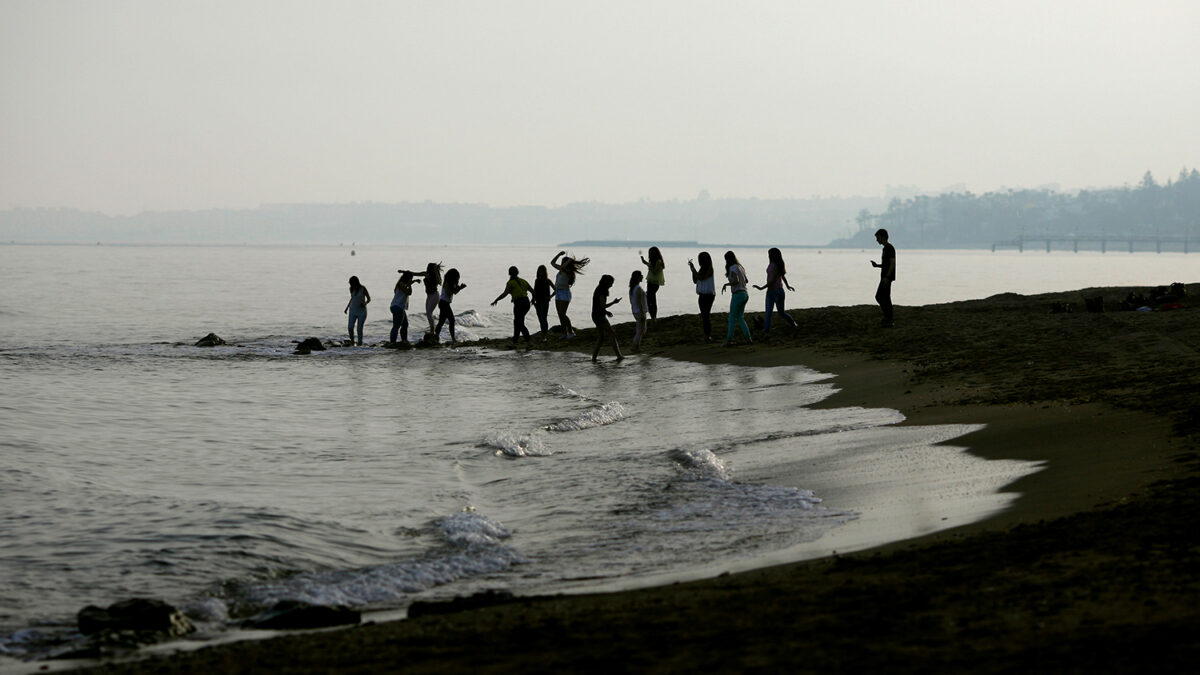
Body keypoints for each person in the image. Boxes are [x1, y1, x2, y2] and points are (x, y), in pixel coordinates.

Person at [753, 248, 798, 335]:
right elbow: (782, 277)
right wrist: (788, 285)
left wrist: (761, 288)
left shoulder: (776, 265)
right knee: (768, 312)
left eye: (769, 254)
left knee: (781, 312)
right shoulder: (771, 264)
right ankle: (767, 329)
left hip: (778, 291)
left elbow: (773, 280)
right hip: (770, 292)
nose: (768, 255)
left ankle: (793, 323)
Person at [491, 266, 534, 349]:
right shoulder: (523, 281)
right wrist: (533, 300)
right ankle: (515, 342)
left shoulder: (510, 283)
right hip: (526, 302)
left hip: (519, 303)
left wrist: (496, 300)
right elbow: (533, 291)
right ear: (517, 272)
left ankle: (528, 342)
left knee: (519, 323)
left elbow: (505, 294)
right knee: (518, 322)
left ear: (509, 273)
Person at [550, 251, 589, 339]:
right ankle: (565, 333)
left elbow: (563, 267)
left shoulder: (568, 271)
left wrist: (569, 261)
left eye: (564, 262)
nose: (563, 263)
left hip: (565, 293)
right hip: (558, 292)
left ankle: (571, 331)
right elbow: (552, 263)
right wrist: (559, 254)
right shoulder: (561, 269)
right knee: (560, 314)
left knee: (563, 314)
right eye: (563, 262)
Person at [720, 251, 752, 346]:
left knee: (731, 318)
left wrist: (726, 284)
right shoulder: (740, 267)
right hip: (745, 294)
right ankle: (748, 339)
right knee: (740, 317)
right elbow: (746, 280)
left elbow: (736, 281)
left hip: (737, 295)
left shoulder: (732, 267)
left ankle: (729, 341)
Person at [590, 274, 624, 362]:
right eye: (611, 283)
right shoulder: (602, 291)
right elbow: (602, 305)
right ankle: (619, 355)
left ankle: (594, 357)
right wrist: (614, 302)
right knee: (612, 334)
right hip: (599, 316)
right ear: (606, 282)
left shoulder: (599, 289)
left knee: (601, 337)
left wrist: (606, 312)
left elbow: (598, 306)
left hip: (596, 314)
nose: (612, 285)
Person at [688, 251, 717, 341]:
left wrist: (693, 269)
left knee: (706, 315)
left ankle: (708, 335)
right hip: (702, 295)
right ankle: (707, 335)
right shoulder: (702, 269)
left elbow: (701, 277)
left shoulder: (710, 269)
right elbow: (695, 280)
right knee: (704, 316)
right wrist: (693, 270)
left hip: (708, 295)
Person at [433, 268, 467, 343]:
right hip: (444, 303)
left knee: (441, 322)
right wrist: (458, 288)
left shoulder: (450, 283)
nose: (458, 279)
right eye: (457, 277)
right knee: (452, 320)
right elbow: (449, 293)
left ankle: (435, 336)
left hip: (444, 303)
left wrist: (460, 288)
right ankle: (453, 338)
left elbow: (454, 292)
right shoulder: (447, 283)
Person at [870, 228, 896, 327]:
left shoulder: (890, 248)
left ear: (883, 237)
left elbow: (892, 263)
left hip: (886, 277)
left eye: (878, 237)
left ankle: (889, 319)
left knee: (881, 297)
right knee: (883, 297)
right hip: (884, 276)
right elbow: (886, 264)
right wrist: (877, 266)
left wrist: (887, 277)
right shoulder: (885, 249)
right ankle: (888, 318)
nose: (877, 240)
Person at [390, 269, 419, 345]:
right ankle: (393, 342)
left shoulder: (402, 284)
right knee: (396, 325)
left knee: (405, 324)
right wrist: (411, 283)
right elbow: (409, 292)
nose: (411, 280)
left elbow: (409, 290)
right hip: (397, 307)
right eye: (410, 278)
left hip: (398, 307)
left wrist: (414, 281)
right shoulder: (401, 284)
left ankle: (404, 340)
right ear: (407, 278)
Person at [343, 275, 371, 346]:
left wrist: (365, 303)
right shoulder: (351, 289)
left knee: (359, 329)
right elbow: (352, 298)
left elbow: (369, 298)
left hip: (362, 311)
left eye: (351, 283)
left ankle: (360, 343)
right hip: (352, 310)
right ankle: (352, 341)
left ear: (355, 282)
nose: (350, 284)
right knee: (350, 327)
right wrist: (347, 308)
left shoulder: (363, 288)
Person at [640, 246, 665, 321]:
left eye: (650, 253)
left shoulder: (658, 261)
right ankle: (653, 317)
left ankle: (654, 317)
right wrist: (645, 262)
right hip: (650, 282)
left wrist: (649, 265)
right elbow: (651, 268)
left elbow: (654, 272)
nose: (649, 255)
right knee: (650, 300)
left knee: (651, 300)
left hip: (654, 283)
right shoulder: (653, 262)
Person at [628, 270, 649, 352]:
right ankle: (635, 346)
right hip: (639, 311)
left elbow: (632, 301)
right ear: (638, 277)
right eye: (641, 275)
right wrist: (642, 313)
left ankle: (636, 346)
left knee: (640, 330)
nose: (642, 276)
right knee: (641, 331)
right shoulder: (638, 288)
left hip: (635, 311)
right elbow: (640, 302)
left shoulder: (632, 288)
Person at [422, 262, 443, 337]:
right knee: (428, 313)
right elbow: (416, 273)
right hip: (429, 296)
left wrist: (436, 271)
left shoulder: (435, 276)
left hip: (434, 295)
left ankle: (432, 331)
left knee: (428, 313)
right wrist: (404, 272)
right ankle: (432, 329)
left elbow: (440, 282)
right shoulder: (426, 274)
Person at [532, 264, 554, 339]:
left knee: (543, 317)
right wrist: (533, 299)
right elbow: (534, 291)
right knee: (540, 317)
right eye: (539, 271)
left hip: (544, 301)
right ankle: (543, 332)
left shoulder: (548, 281)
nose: (540, 273)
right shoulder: (536, 280)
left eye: (542, 271)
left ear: (545, 272)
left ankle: (544, 335)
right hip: (537, 301)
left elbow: (556, 289)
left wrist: (550, 296)